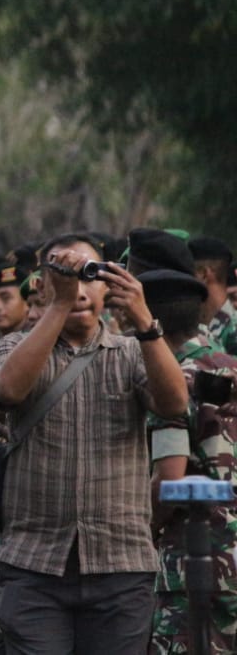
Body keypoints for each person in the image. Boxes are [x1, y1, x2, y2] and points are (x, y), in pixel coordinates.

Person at [0, 233, 188, 654]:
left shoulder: (133, 352)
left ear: (108, 284)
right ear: (41, 287)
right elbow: (7, 392)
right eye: (64, 277)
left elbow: (174, 404)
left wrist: (145, 321)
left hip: (120, 566)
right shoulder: (13, 346)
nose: (78, 288)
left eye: (90, 275)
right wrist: (58, 307)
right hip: (33, 566)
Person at [140, 268, 237, 653]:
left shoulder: (172, 385)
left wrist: (143, 527)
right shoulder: (230, 367)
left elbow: (169, 479)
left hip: (195, 562)